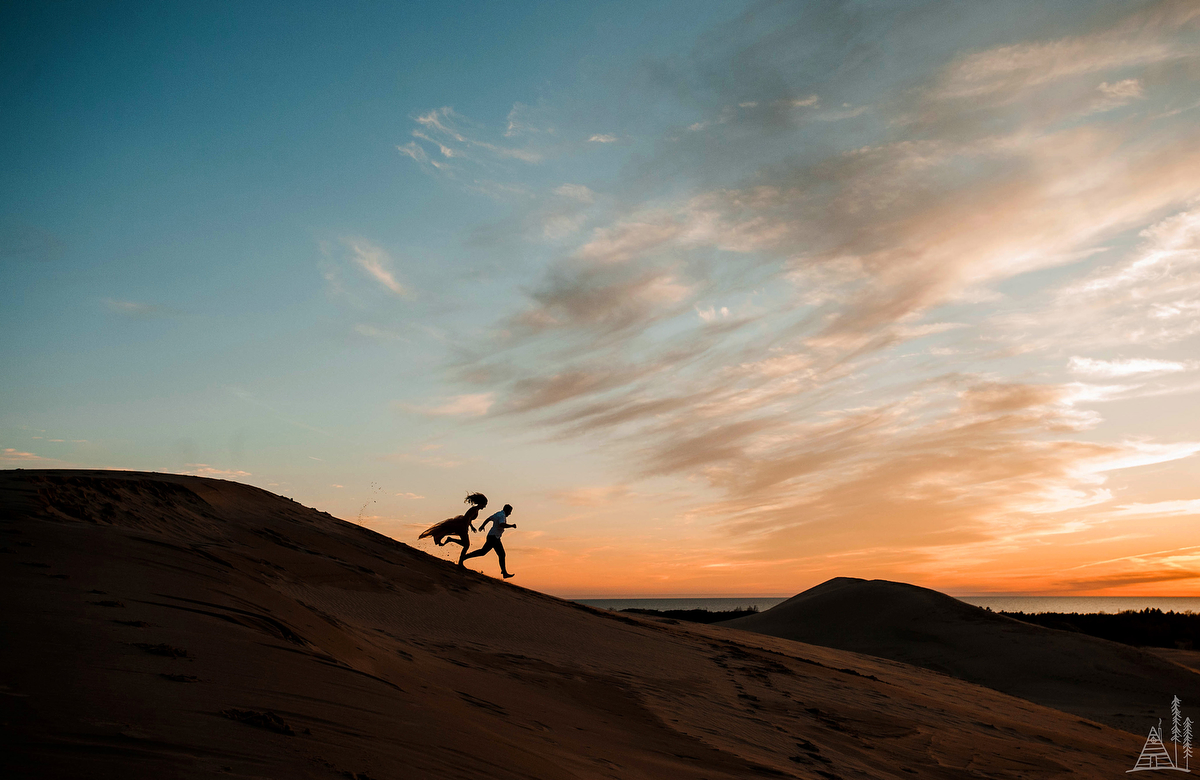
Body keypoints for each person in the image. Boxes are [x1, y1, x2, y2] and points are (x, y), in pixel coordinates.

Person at [418, 492, 487, 565]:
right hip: (462, 526)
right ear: (481, 503)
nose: (484, 506)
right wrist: (466, 527)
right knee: (466, 545)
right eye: (484, 505)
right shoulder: (473, 509)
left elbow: (469, 519)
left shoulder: (475, 510)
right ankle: (460, 563)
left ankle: (451, 540)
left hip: (462, 525)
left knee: (465, 544)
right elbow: (467, 518)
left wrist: (472, 527)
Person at [461, 503, 515, 578]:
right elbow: (502, 524)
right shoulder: (502, 516)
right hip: (493, 537)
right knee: (484, 552)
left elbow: (489, 518)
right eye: (510, 512)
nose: (510, 514)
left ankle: (504, 573)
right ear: (507, 510)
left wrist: (483, 525)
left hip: (494, 537)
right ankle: (464, 557)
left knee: (500, 554)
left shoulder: (498, 513)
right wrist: (511, 526)